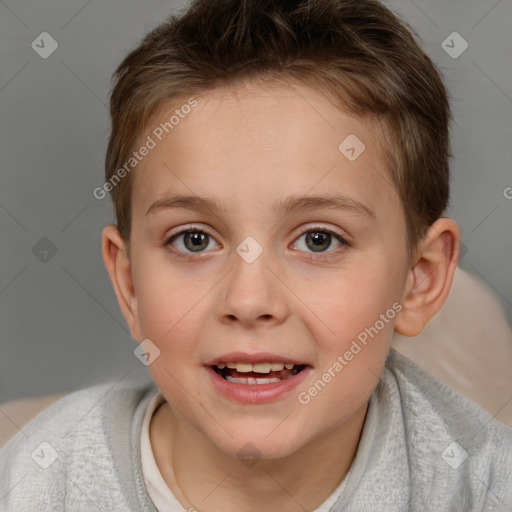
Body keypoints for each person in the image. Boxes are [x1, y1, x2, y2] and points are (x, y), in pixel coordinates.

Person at [1, 0, 511, 510]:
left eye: (319, 240)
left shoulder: (483, 487)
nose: (249, 300)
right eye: (194, 239)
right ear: (130, 284)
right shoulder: (37, 483)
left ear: (419, 280)